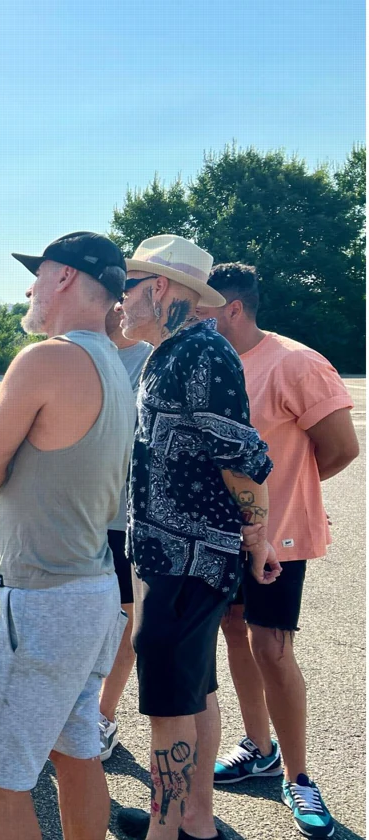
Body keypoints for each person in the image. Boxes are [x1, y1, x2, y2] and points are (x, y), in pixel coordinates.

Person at [0, 232, 134, 840]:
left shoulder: (47, 359)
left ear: (63, 279)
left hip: (41, 598)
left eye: (39, 274)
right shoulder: (113, 359)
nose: (29, 287)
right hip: (93, 590)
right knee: (75, 750)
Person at [112, 236, 280, 840]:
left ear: (158, 289)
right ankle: (196, 821)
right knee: (194, 690)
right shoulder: (171, 350)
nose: (119, 303)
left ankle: (166, 831)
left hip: (184, 564)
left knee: (169, 706)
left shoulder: (200, 353)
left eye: (127, 288)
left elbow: (242, 457)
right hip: (171, 558)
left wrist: (257, 536)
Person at [200, 264, 357, 838]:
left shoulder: (295, 362)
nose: (195, 319)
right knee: (234, 631)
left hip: (280, 536)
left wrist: (291, 502)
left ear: (233, 309)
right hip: (224, 533)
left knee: (272, 648)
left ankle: (299, 776)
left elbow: (340, 448)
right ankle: (258, 748)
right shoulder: (213, 364)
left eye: (204, 311)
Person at [98, 306, 153, 761]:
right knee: (72, 613)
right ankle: (65, 711)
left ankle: (103, 715)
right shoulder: (74, 353)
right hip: (76, 512)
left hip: (124, 516)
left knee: (123, 617)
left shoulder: (152, 359)